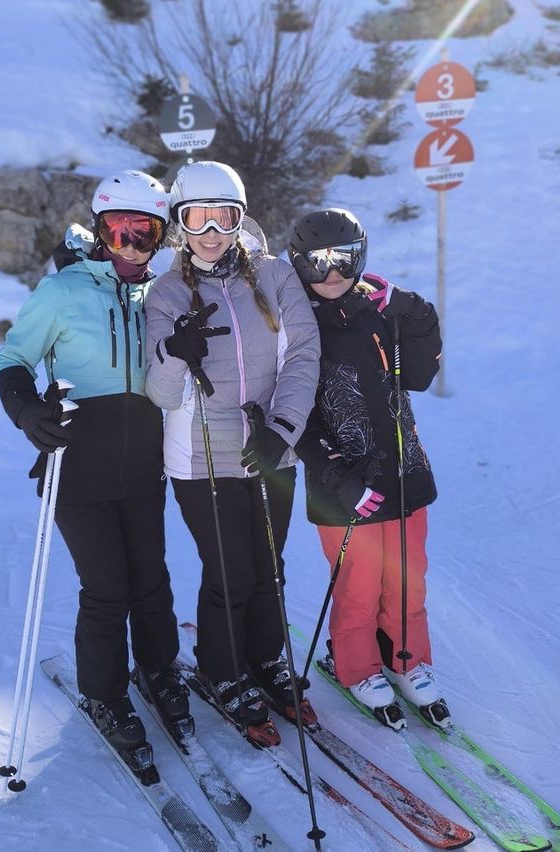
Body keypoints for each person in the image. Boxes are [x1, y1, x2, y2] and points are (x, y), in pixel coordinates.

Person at [0, 171, 189, 754]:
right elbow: (12, 358)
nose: (131, 244)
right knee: (107, 588)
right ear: (101, 231)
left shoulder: (160, 294)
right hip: (78, 466)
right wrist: (29, 413)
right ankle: (104, 693)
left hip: (142, 463)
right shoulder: (63, 292)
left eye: (145, 232)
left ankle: (160, 673)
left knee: (151, 582)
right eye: (118, 230)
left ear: (161, 235)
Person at [145, 160, 320, 739]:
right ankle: (224, 670)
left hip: (272, 445)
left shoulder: (272, 277)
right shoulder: (166, 292)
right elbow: (161, 392)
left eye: (225, 217)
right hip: (202, 457)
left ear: (240, 218)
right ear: (180, 225)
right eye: (198, 219)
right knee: (230, 569)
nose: (213, 232)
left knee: (270, 565)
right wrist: (177, 350)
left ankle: (268, 657)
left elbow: (303, 354)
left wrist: (282, 428)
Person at [288, 207, 445, 724]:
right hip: (345, 486)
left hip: (404, 473)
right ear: (298, 264)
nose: (332, 274)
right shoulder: (295, 326)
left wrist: (414, 309)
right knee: (358, 583)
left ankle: (407, 660)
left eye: (344, 260)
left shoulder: (381, 314)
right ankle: (357, 666)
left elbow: (419, 376)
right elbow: (293, 418)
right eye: (317, 264)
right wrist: (337, 477)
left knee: (408, 580)